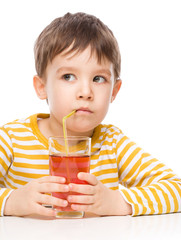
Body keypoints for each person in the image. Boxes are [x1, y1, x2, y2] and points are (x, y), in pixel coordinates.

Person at [0, 12, 181, 218]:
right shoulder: (12, 139)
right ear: (41, 87)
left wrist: (117, 202)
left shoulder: (112, 143)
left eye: (98, 78)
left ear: (114, 90)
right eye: (68, 76)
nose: (85, 92)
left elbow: (176, 189)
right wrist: (12, 201)